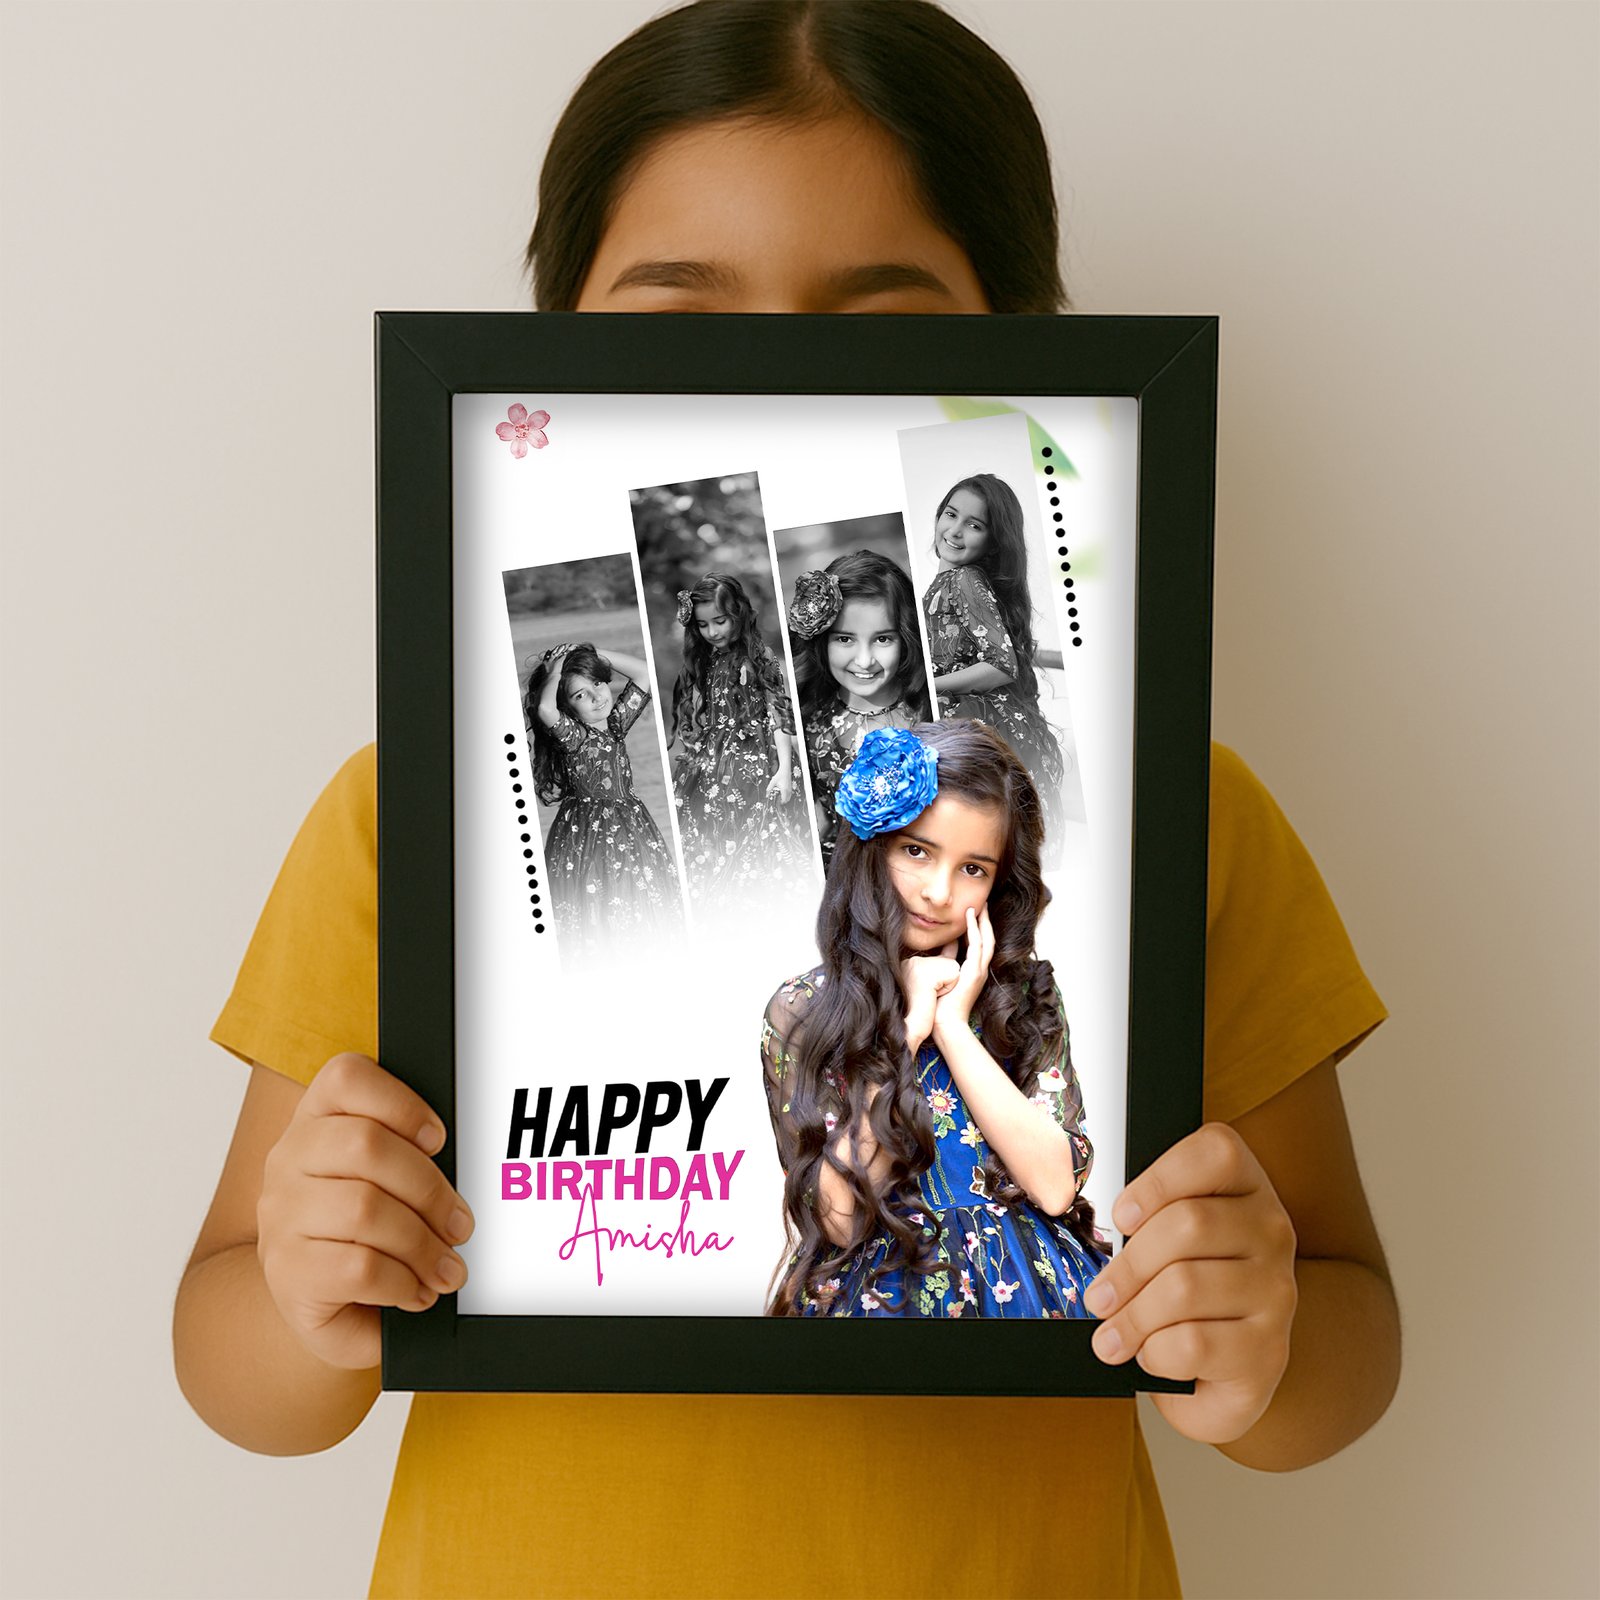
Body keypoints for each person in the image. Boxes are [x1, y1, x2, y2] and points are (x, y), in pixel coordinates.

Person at [173, 3, 1399, 1595]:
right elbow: (233, 1362)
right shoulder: (418, 812)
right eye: (678, 314)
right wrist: (304, 1281)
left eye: (879, 319)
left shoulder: (1179, 812)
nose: (775, 370)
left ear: (1029, 346)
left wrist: (1259, 1337)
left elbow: (1347, 1332)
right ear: (547, 345)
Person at [761, 721, 1107, 1317]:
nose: (938, 892)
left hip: (1027, 1295)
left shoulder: (1023, 995)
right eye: (916, 851)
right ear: (875, 848)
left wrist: (952, 1025)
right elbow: (840, 1220)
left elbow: (1053, 1187)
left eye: (973, 868)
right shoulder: (803, 1010)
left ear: (1001, 883)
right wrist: (908, 1032)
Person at [923, 472, 1069, 853]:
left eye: (974, 525)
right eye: (950, 515)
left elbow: (1002, 665)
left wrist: (929, 684)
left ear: (991, 542)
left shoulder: (966, 579)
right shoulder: (946, 582)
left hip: (987, 731)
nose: (955, 532)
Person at [522, 641, 682, 953]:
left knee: (640, 895)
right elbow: (544, 709)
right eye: (580, 695)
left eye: (597, 683)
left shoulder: (616, 725)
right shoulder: (573, 736)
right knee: (596, 897)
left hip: (631, 825)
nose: (597, 697)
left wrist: (593, 656)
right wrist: (555, 670)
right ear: (568, 707)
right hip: (585, 833)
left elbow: (643, 671)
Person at [668, 570, 812, 905]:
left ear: (738, 615)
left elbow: (780, 715)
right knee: (720, 843)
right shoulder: (706, 659)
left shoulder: (759, 656)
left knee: (762, 843)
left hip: (757, 764)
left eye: (720, 621)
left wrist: (784, 771)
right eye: (703, 625)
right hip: (716, 765)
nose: (712, 632)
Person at [787, 549, 931, 869]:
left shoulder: (932, 712)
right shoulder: (804, 720)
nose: (864, 661)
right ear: (821, 640)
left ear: (906, 638)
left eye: (882, 639)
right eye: (845, 639)